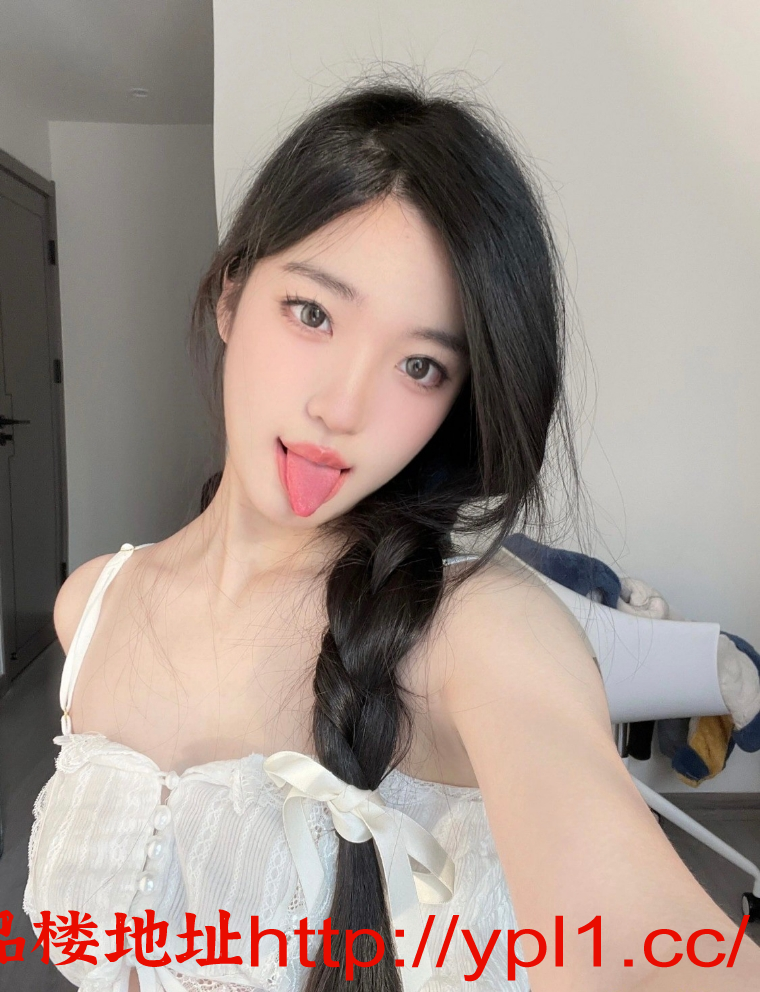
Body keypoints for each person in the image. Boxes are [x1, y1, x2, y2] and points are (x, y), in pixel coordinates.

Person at [25, 74, 759, 992]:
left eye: (419, 365)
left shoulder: (472, 630)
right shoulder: (90, 606)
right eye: (313, 313)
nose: (343, 408)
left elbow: (639, 953)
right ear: (230, 295)